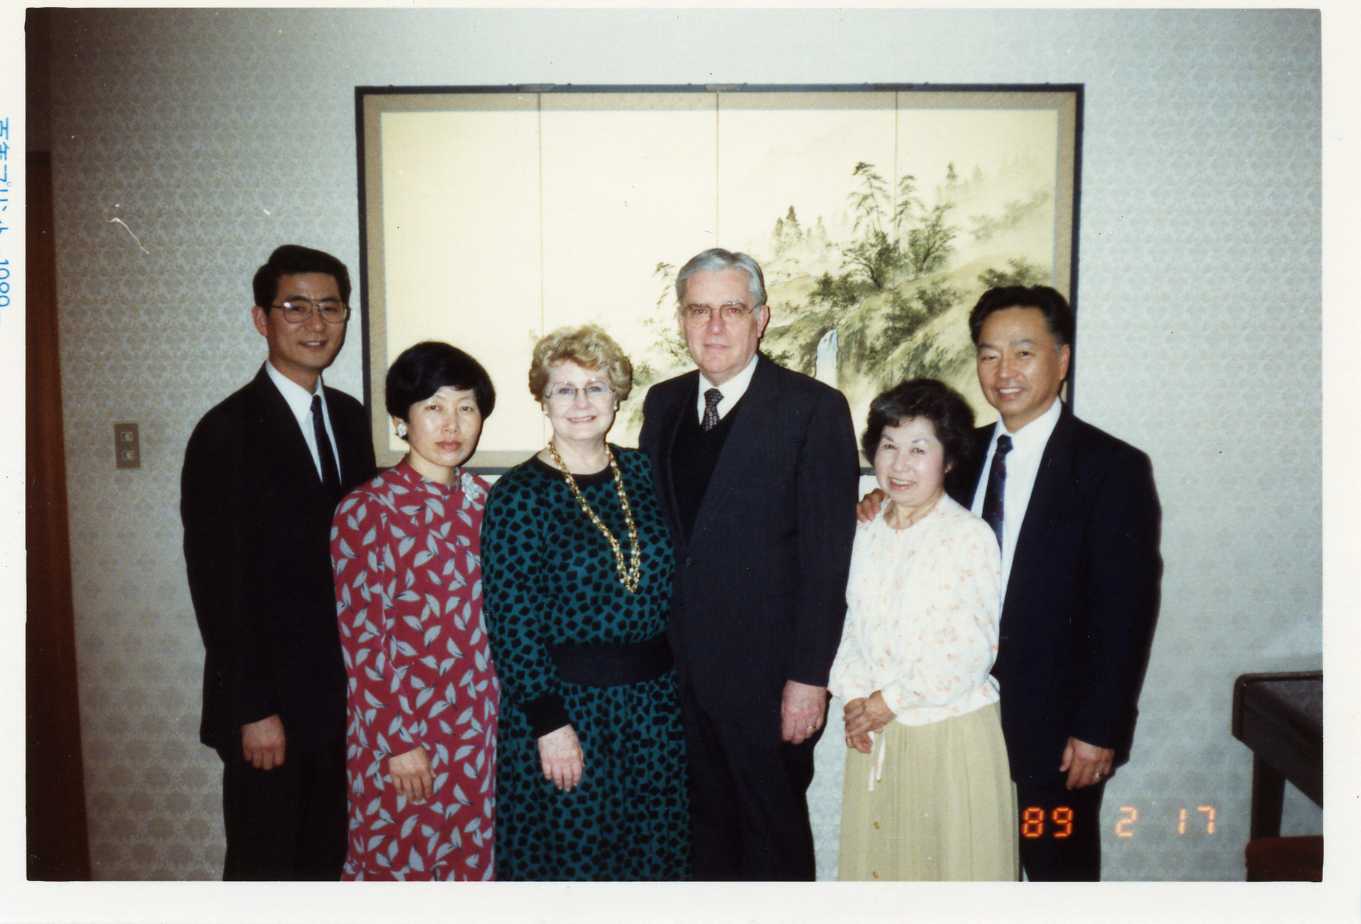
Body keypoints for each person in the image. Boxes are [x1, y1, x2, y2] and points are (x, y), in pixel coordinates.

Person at [859, 284, 1161, 880]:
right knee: (958, 871)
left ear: (1062, 358)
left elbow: (1125, 611)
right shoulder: (959, 457)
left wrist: (1098, 728)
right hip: (955, 719)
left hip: (1054, 733)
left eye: (1024, 352)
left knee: (1055, 870)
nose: (1004, 370)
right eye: (989, 353)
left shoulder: (1111, 469)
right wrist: (878, 499)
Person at [639, 248, 859, 880]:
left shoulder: (813, 410)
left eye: (731, 309)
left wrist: (808, 679)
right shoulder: (664, 404)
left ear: (761, 319)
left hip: (770, 684)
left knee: (771, 843)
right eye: (698, 310)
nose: (714, 326)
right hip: (677, 680)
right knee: (701, 844)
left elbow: (827, 563)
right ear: (681, 319)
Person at [182, 244, 377, 879]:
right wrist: (252, 708)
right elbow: (218, 586)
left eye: (330, 308)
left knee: (328, 864)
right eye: (295, 307)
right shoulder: (225, 432)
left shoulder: (349, 419)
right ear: (261, 319)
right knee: (267, 870)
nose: (316, 324)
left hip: (337, 699)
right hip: (267, 710)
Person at [481, 324, 689, 880]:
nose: (581, 403)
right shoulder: (519, 495)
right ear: (543, 399)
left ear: (617, 396)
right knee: (574, 865)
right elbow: (511, 622)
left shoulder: (646, 474)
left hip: (653, 710)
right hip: (568, 713)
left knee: (651, 865)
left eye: (595, 387)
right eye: (564, 389)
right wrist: (549, 725)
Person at [829, 378, 1017, 881]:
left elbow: (970, 649)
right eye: (889, 446)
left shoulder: (967, 536)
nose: (900, 463)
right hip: (876, 733)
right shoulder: (866, 530)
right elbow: (851, 626)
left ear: (948, 459)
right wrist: (852, 698)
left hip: (946, 734)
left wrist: (885, 702)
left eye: (919, 448)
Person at [329, 341, 500, 880]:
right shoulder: (366, 510)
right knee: (403, 870)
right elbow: (364, 646)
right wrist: (399, 744)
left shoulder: (489, 501)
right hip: (405, 735)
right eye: (434, 406)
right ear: (402, 420)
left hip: (481, 731)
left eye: (466, 407)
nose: (452, 424)